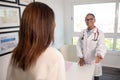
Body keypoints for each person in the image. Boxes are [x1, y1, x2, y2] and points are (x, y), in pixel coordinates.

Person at [7, 2, 65, 80]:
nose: (55, 25)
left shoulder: (16, 55)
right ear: (47, 27)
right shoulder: (54, 57)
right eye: (52, 22)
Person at [76, 13, 106, 80]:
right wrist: (81, 57)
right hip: (83, 60)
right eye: (86, 20)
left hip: (94, 61)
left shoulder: (100, 33)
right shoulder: (82, 32)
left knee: (95, 77)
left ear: (94, 20)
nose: (88, 21)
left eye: (91, 19)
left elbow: (101, 45)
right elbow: (78, 45)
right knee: (83, 76)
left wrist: (99, 54)